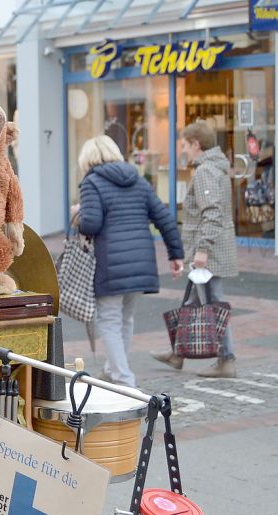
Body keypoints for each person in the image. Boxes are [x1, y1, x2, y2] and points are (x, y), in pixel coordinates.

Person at [72, 135, 184, 387]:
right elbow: (164, 218)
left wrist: (79, 213)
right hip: (141, 261)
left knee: (109, 320)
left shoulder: (92, 182)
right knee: (126, 319)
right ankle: (113, 370)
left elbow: (91, 223)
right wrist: (176, 255)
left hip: (111, 263)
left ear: (87, 159)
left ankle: (124, 379)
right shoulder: (138, 180)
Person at [151, 120, 239, 378]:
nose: (184, 151)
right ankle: (178, 354)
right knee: (193, 300)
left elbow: (212, 213)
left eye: (185, 145)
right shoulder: (215, 167)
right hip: (209, 250)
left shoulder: (204, 172)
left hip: (209, 253)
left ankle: (227, 360)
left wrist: (202, 250)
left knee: (212, 304)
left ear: (196, 145)